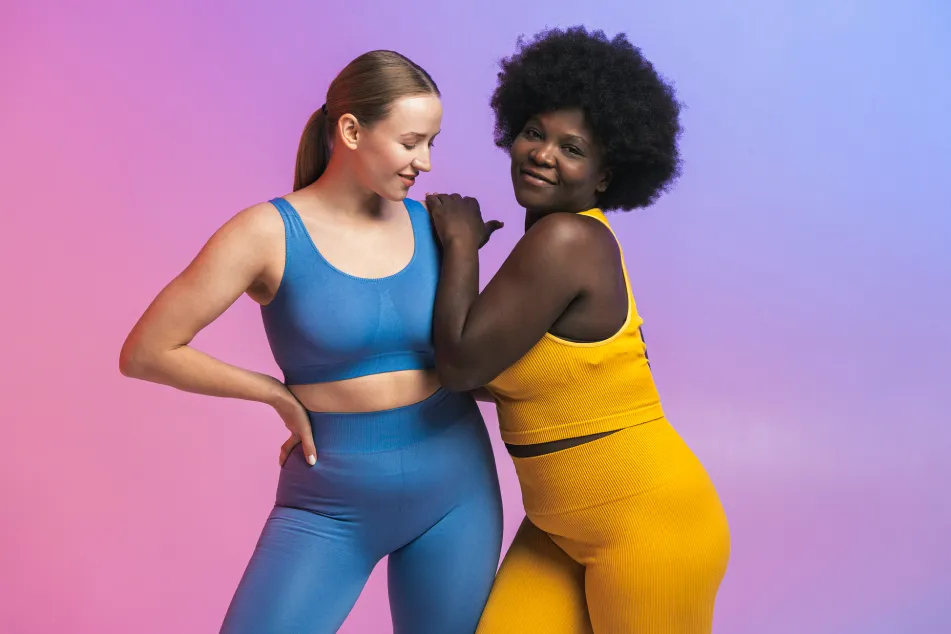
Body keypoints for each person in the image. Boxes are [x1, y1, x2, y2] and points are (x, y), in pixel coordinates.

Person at [119, 50, 503, 634]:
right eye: (409, 142)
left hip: (457, 487)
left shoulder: (435, 227)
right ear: (351, 130)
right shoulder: (266, 233)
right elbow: (147, 351)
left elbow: (477, 355)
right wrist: (274, 393)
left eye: (432, 143)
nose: (424, 162)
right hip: (330, 501)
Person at [425, 27, 731, 633]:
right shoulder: (551, 240)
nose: (542, 153)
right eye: (534, 133)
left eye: (572, 147)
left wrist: (461, 246)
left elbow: (458, 365)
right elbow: (492, 375)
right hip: (557, 526)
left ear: (603, 175)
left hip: (649, 527)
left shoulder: (567, 239)